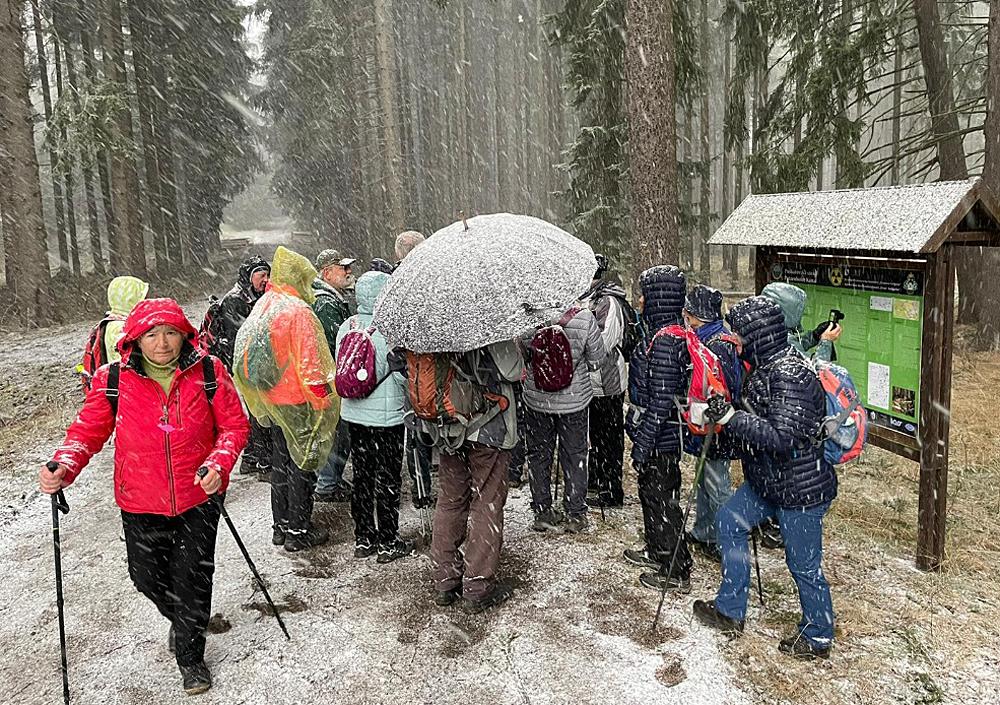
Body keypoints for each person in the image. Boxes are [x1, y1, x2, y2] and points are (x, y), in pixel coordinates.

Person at [41, 298, 249, 695]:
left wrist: (219, 463)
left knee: (192, 577)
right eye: (151, 334)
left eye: (171, 333)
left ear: (185, 335)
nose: (163, 343)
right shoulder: (113, 379)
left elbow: (234, 427)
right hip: (139, 499)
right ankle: (185, 620)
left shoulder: (209, 370)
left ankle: (190, 657)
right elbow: (87, 432)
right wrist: (64, 464)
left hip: (198, 497)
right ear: (134, 339)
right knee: (146, 577)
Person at [693, 296, 837, 660]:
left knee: (803, 564)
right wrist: (726, 413)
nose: (733, 341)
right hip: (770, 481)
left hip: (800, 486)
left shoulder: (790, 374)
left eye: (739, 336)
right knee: (729, 521)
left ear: (758, 335)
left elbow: (782, 438)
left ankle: (818, 635)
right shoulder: (765, 365)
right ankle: (730, 609)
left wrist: (732, 420)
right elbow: (757, 416)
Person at [233, 246, 340, 552]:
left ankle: (280, 527)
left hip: (271, 399)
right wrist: (324, 405)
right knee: (302, 465)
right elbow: (311, 365)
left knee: (280, 463)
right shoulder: (298, 312)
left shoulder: (266, 303)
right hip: (297, 401)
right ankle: (299, 530)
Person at [406, 342, 523, 613]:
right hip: (489, 428)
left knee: (450, 500)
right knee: (487, 503)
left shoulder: (433, 331)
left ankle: (445, 579)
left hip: (448, 428)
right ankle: (477, 587)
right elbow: (514, 371)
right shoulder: (488, 329)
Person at [336, 271, 414, 562]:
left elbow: (342, 366)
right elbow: (402, 379)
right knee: (389, 478)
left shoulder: (348, 325)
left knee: (363, 475)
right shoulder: (392, 330)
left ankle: (364, 537)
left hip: (354, 415)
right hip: (388, 419)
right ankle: (388, 540)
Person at [757, 282, 842, 550]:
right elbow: (817, 372)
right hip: (788, 420)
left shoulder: (762, 332)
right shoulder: (782, 349)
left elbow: (793, 344)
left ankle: (769, 519)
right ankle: (776, 526)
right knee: (785, 471)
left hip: (770, 415)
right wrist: (825, 345)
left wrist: (812, 338)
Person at [624, 266, 693, 593]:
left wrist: (642, 444)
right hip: (657, 434)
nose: (639, 299)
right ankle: (656, 550)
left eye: (644, 294)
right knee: (652, 495)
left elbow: (662, 401)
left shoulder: (666, 341)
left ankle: (676, 569)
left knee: (663, 500)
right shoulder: (662, 332)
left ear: (657, 299)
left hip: (661, 438)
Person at [521, 303, 606, 534]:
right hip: (574, 400)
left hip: (537, 398)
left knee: (538, 455)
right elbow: (597, 360)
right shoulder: (585, 317)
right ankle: (575, 513)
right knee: (575, 454)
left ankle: (542, 510)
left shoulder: (530, 317)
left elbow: (523, 354)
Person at [682, 285, 743, 561]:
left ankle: (726, 542)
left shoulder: (718, 344)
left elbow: (727, 388)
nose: (686, 316)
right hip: (707, 422)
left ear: (699, 315)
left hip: (718, 425)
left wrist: (718, 412)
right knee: (705, 480)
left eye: (690, 312)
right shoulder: (705, 337)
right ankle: (704, 531)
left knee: (717, 485)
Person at [214, 256, 272, 477]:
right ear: (249, 277)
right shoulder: (234, 300)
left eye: (268, 275)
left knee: (259, 411)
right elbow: (246, 332)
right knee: (260, 413)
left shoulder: (257, 295)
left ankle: (249, 459)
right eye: (261, 275)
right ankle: (264, 463)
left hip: (255, 364)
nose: (266, 280)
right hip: (244, 366)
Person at [392, 230, 435, 507]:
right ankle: (422, 484)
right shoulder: (428, 279)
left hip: (408, 363)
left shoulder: (393, 282)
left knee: (416, 425)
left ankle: (421, 485)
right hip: (425, 361)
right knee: (424, 425)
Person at [582, 254, 629, 508]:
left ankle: (611, 489)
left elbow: (605, 341)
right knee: (593, 435)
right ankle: (594, 480)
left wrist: (579, 344)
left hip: (607, 381)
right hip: (589, 382)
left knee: (608, 437)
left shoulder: (609, 301)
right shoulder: (587, 298)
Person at [312, 248, 357, 503]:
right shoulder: (326, 303)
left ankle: (329, 480)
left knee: (334, 431)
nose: (349, 272)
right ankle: (327, 483)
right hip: (328, 380)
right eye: (343, 268)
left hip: (325, 378)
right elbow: (336, 344)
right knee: (336, 431)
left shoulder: (331, 298)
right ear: (327, 273)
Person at [104, 275, 150, 364]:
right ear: (130, 300)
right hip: (123, 377)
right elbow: (127, 363)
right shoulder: (121, 328)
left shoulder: (114, 321)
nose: (146, 302)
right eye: (143, 299)